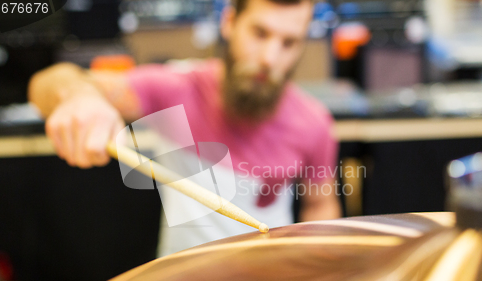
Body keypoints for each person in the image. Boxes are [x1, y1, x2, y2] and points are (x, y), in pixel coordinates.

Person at [28, 0, 342, 257]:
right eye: (260, 33)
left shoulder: (313, 121)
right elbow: (47, 84)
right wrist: (80, 96)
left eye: (289, 42)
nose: (270, 58)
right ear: (229, 22)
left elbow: (320, 204)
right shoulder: (177, 89)